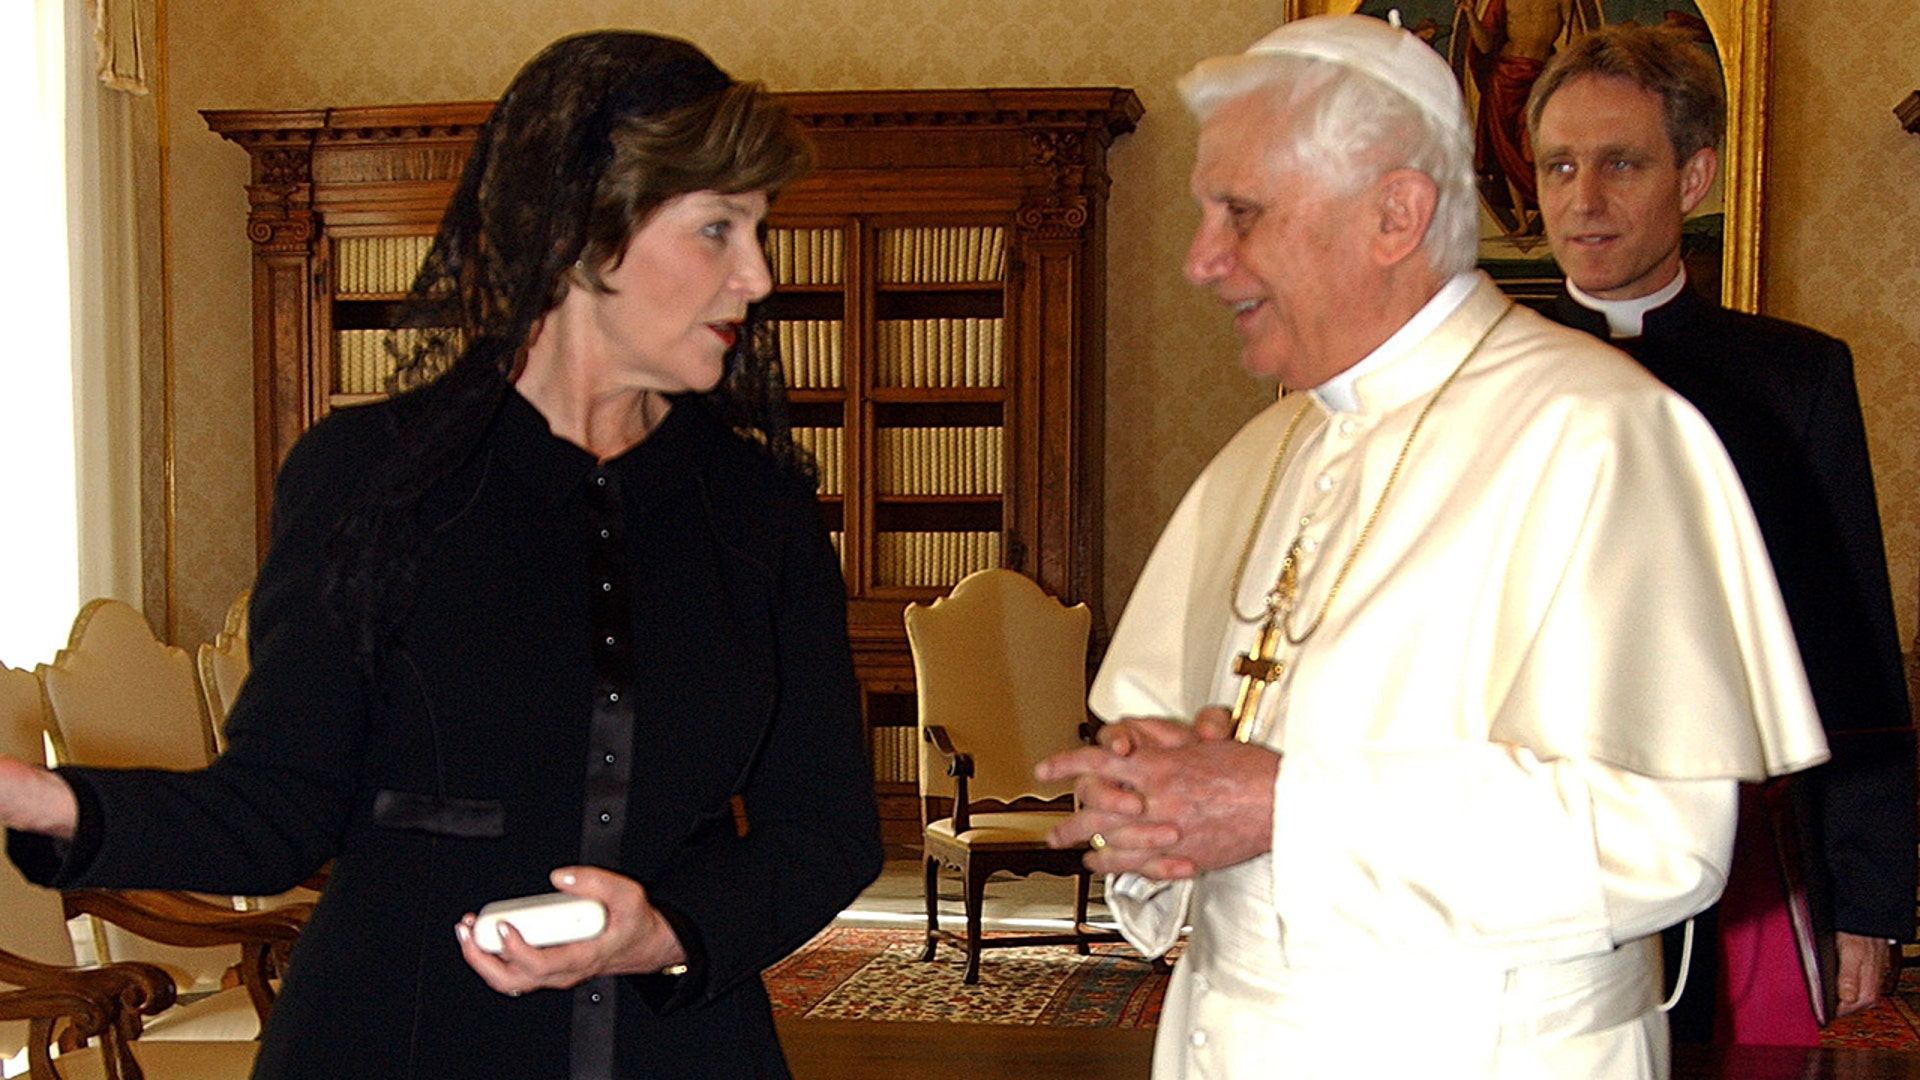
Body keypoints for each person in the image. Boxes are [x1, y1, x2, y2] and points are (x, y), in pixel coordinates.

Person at [0, 30, 883, 1080]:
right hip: (399, 1037)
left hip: (683, 1048)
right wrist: (47, 803)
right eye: (718, 230)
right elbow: (278, 809)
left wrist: (669, 932)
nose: (760, 276)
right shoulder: (367, 476)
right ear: (575, 234)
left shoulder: (763, 508)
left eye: (761, 231)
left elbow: (827, 826)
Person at [1034, 15, 1830, 1078]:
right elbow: (1186, 749)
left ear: (1396, 214)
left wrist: (1283, 806)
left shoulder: (1600, 433)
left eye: (1242, 214)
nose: (1200, 261)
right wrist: (1155, 805)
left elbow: (1659, 838)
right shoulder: (1262, 453)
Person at [1528, 24, 1916, 1045]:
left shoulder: (1795, 381)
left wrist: (1871, 901)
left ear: (1694, 174)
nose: (1584, 198)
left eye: (1621, 163)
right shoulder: (1475, 375)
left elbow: (1850, 646)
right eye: (1559, 166)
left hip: (1741, 843)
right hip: (1524, 843)